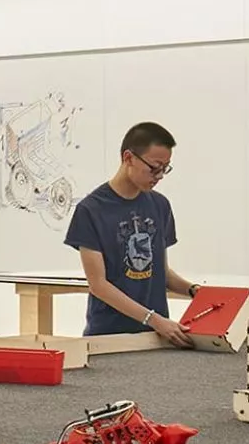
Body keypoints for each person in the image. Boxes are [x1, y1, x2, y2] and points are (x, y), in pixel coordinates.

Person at [64, 121, 196, 344]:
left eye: (165, 168)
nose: (160, 175)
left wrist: (194, 290)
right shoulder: (91, 210)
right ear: (128, 158)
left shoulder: (160, 205)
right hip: (108, 338)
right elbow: (98, 285)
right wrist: (153, 319)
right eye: (154, 167)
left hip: (155, 338)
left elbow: (160, 272)